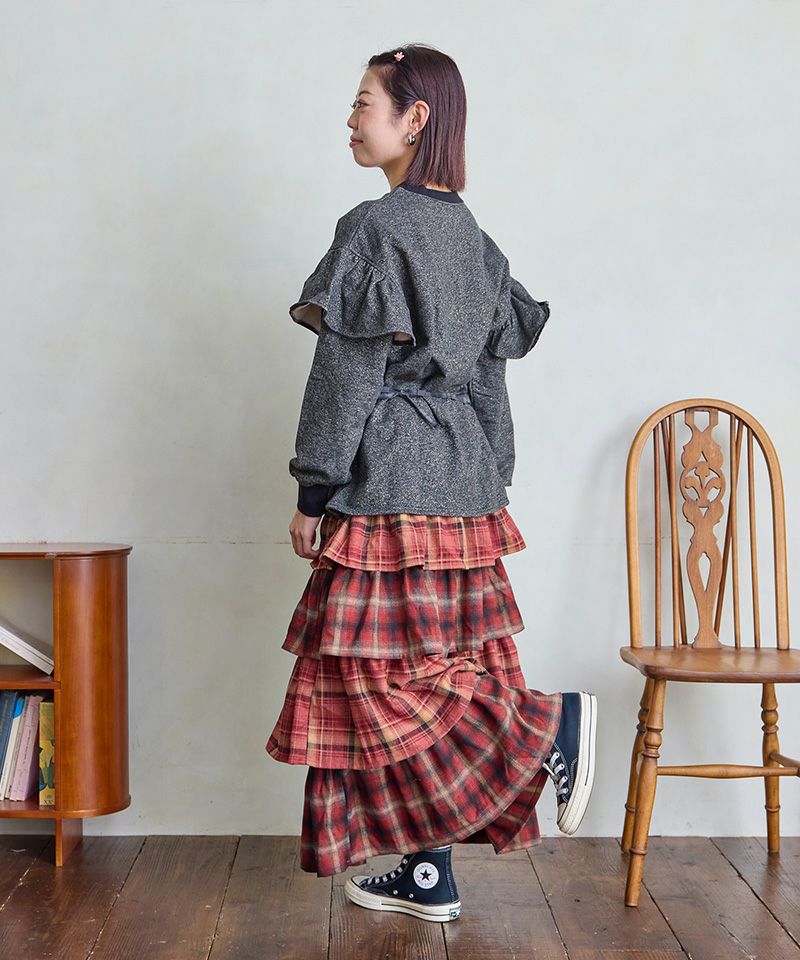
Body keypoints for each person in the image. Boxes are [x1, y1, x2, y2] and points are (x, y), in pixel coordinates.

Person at [267, 42, 598, 924]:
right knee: (445, 664)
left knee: (374, 679)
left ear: (415, 119)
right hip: (463, 482)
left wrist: (312, 490)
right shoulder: (474, 240)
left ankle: (551, 722)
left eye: (363, 102)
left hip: (389, 485)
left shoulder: (375, 230)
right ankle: (427, 874)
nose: (350, 118)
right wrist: (491, 477)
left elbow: (343, 380)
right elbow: (490, 380)